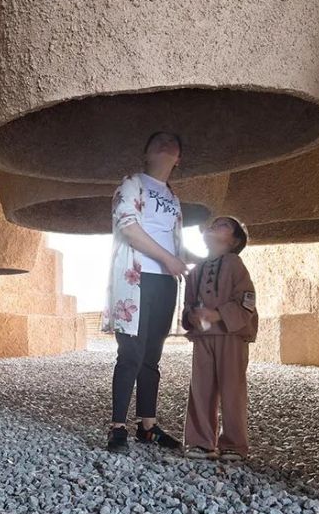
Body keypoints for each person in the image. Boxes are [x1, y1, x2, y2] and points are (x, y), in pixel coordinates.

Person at [102, 130, 189, 454]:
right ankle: (117, 427)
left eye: (173, 142)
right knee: (131, 355)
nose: (167, 142)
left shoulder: (172, 196)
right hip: (136, 277)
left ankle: (147, 426)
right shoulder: (132, 183)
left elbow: (173, 241)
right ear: (147, 153)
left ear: (179, 159)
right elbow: (128, 226)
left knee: (152, 356)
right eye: (158, 140)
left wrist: (189, 258)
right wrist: (169, 259)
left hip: (165, 281)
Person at [182, 215, 258, 461]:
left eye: (223, 225)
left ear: (234, 241)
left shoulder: (236, 265)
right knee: (200, 388)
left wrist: (217, 314)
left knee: (232, 389)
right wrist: (191, 316)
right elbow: (188, 304)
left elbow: (247, 300)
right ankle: (200, 442)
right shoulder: (196, 271)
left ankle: (234, 444)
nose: (215, 226)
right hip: (203, 339)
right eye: (214, 223)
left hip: (231, 336)